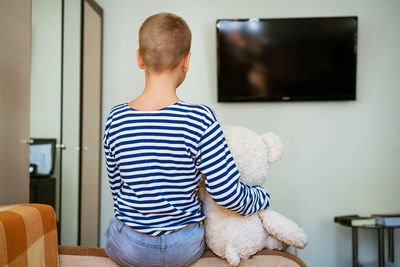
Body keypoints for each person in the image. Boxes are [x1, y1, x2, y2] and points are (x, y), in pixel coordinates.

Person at [103, 12, 271, 267]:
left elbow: (118, 191)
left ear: (139, 58)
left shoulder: (116, 118)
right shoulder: (200, 119)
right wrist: (262, 196)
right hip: (183, 247)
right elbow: (227, 195)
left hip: (130, 248)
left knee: (116, 226)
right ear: (186, 61)